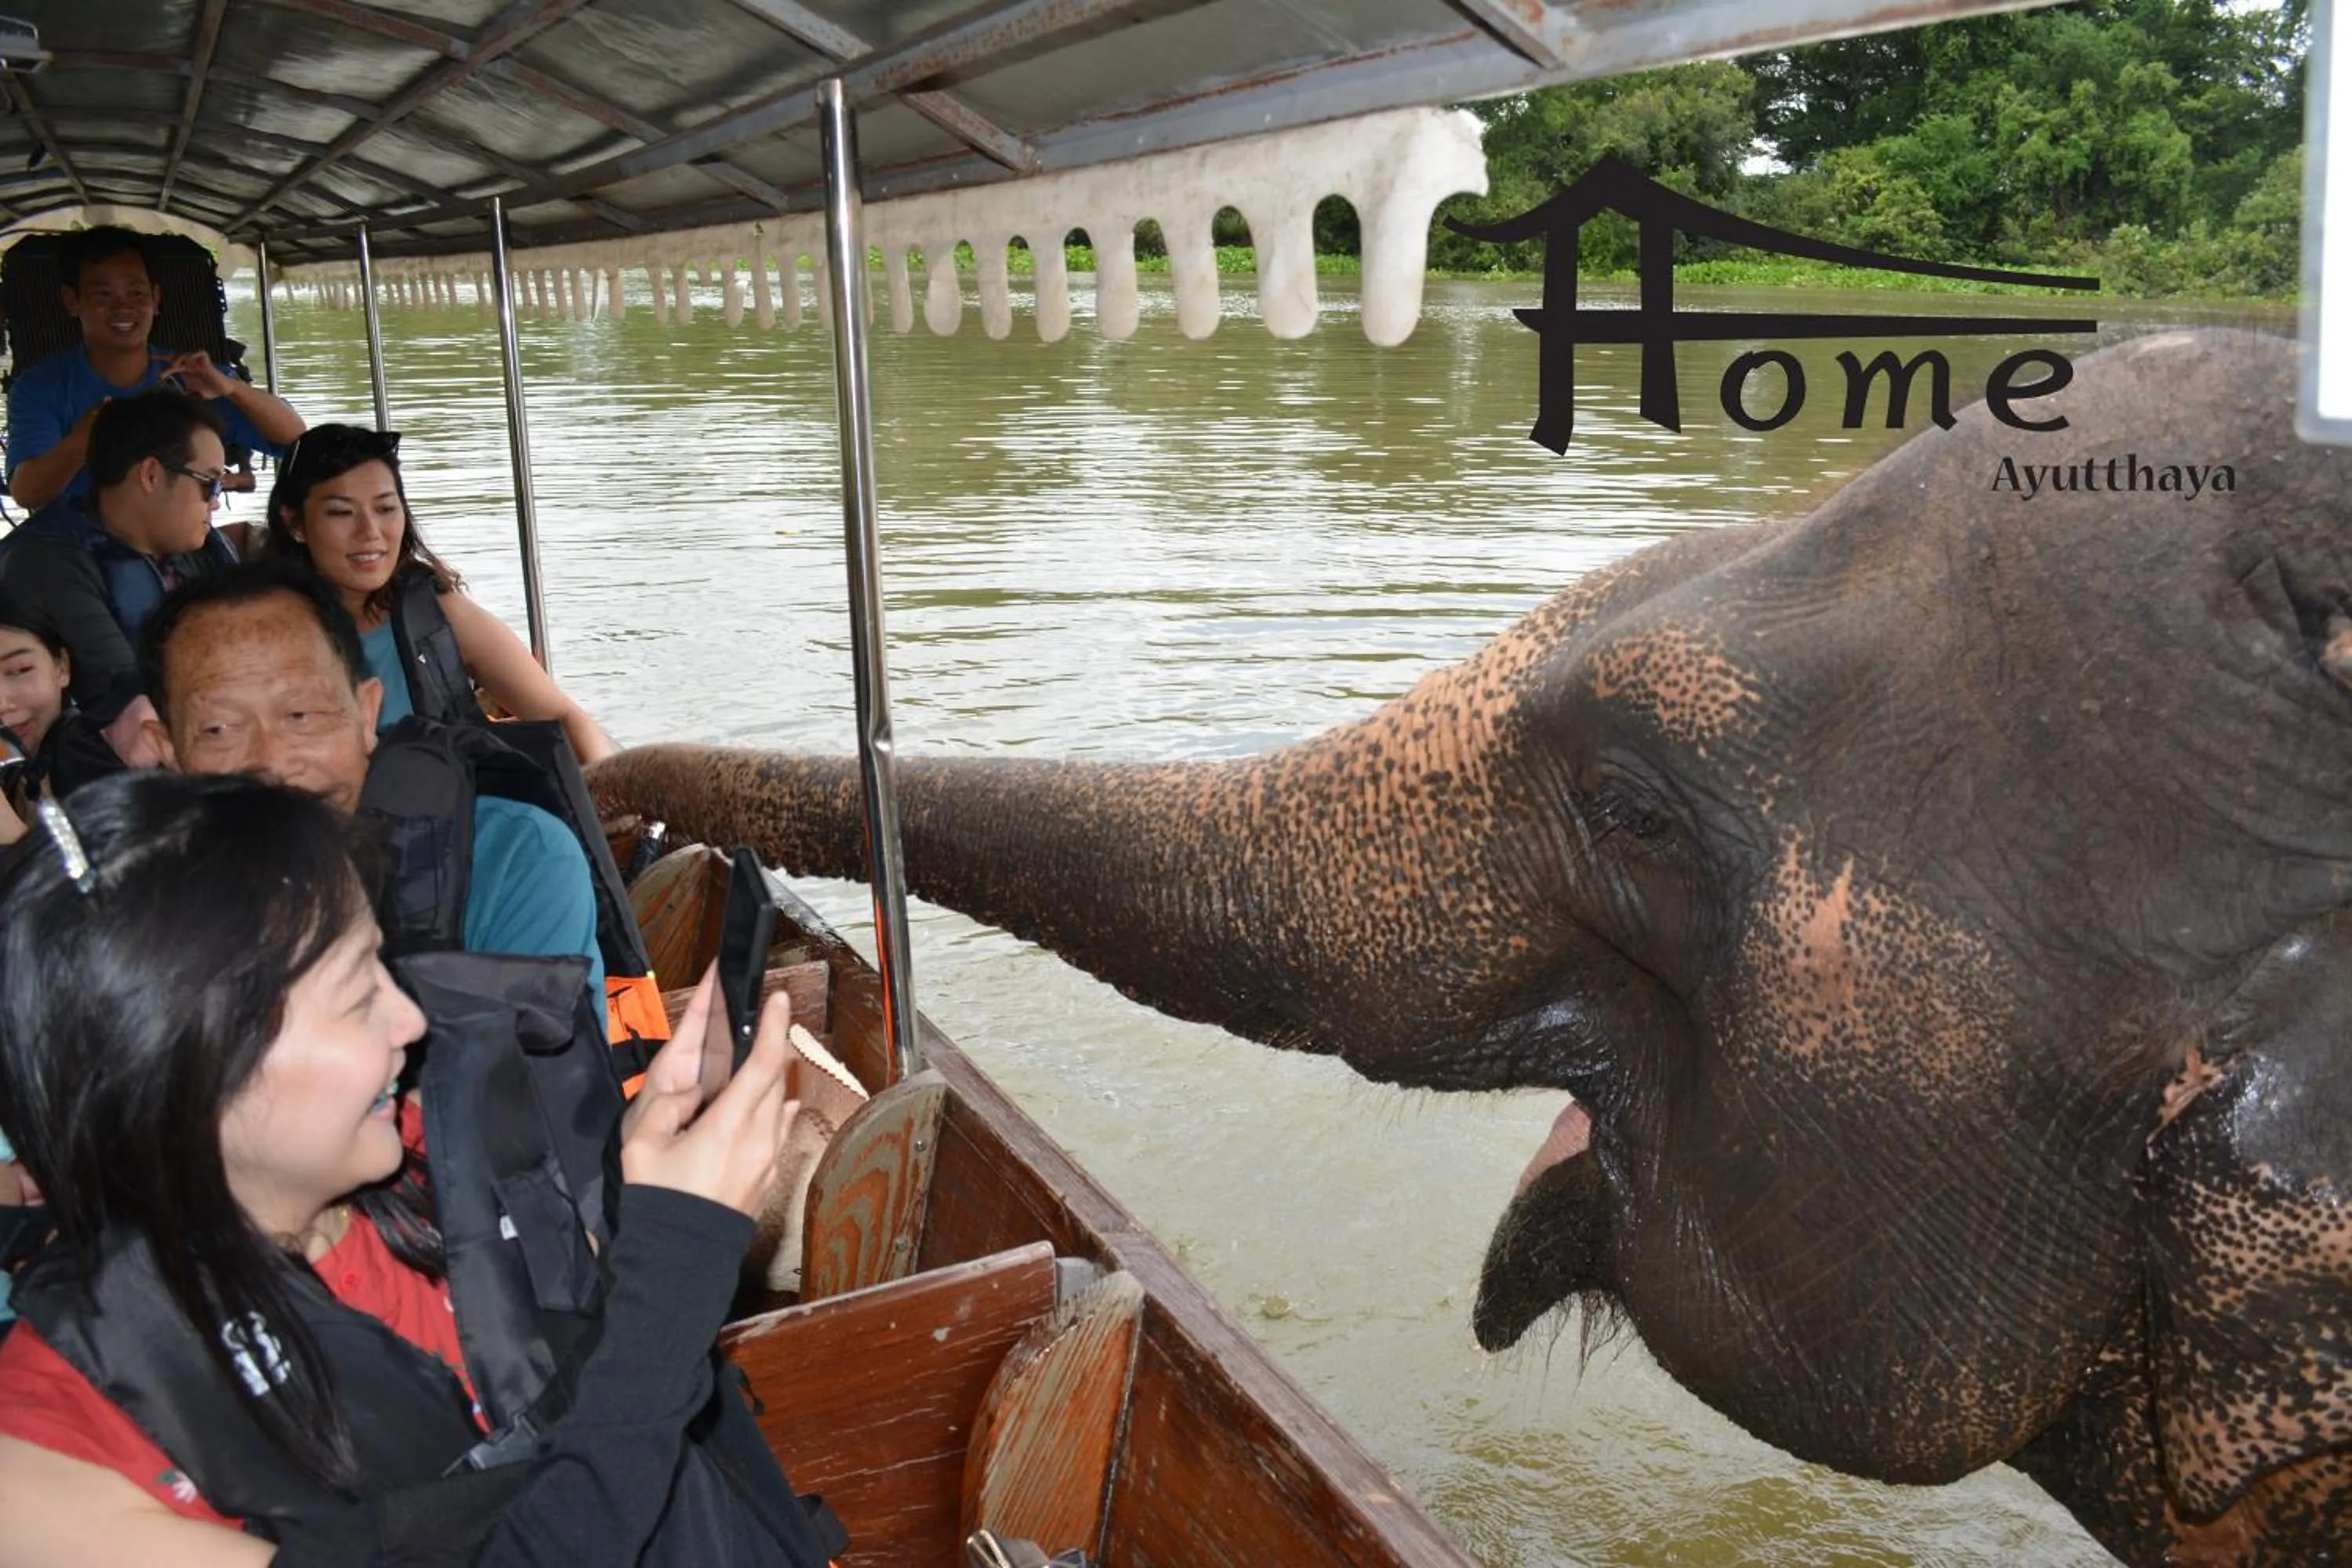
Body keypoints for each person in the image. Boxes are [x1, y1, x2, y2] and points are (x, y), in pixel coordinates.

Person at [0, 770, 845, 1563]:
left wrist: (636, 1176)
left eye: (383, 963)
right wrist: (678, 1260)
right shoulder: (48, 1465)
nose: (411, 1018)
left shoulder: (427, 1138)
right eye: (359, 994)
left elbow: (570, 1354)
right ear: (184, 1071)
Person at [140, 561, 609, 1007]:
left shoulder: (512, 859)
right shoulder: (144, 911)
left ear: (368, 713)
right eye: (219, 729)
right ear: (167, 751)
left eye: (301, 715)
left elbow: (539, 1081)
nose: (271, 764)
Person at [265, 425, 617, 764]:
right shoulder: (262, 631)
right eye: (342, 513)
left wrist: (608, 793)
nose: (370, 532)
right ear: (295, 524)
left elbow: (563, 716)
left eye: (386, 509)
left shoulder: (437, 615)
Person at [0, 389, 240, 768]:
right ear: (151, 474)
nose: (215, 500)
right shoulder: (48, 561)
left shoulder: (204, 548)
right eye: (208, 483)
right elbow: (127, 698)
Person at [6, 225, 304, 511]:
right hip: (74, 545)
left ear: (156, 299)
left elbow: (297, 441)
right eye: (103, 294)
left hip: (179, 541)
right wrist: (82, 442)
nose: (122, 307)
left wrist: (232, 388)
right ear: (72, 301)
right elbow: (27, 494)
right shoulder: (40, 387)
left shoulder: (192, 379)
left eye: (136, 293)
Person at [0, 586, 119, 844]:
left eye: (20, 670)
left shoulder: (99, 755)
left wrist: (11, 836)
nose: (2, 703)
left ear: (61, 667)